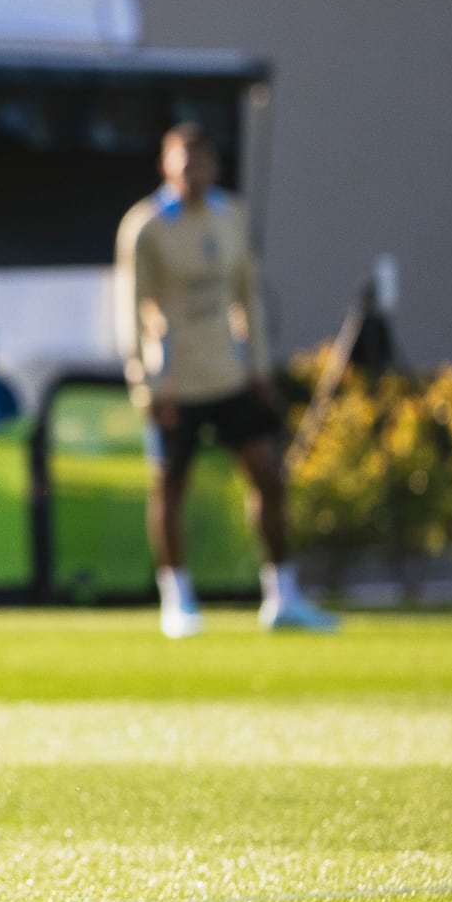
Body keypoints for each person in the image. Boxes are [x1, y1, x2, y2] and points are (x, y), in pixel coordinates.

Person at [114, 122, 337, 639]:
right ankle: (178, 601)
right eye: (181, 163)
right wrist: (146, 384)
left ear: (213, 166)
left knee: (268, 478)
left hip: (230, 376)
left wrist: (258, 367)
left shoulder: (230, 215)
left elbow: (247, 299)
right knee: (170, 489)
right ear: (166, 167)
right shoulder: (145, 227)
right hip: (175, 384)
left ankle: (283, 596)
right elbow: (129, 310)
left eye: (200, 163)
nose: (192, 173)